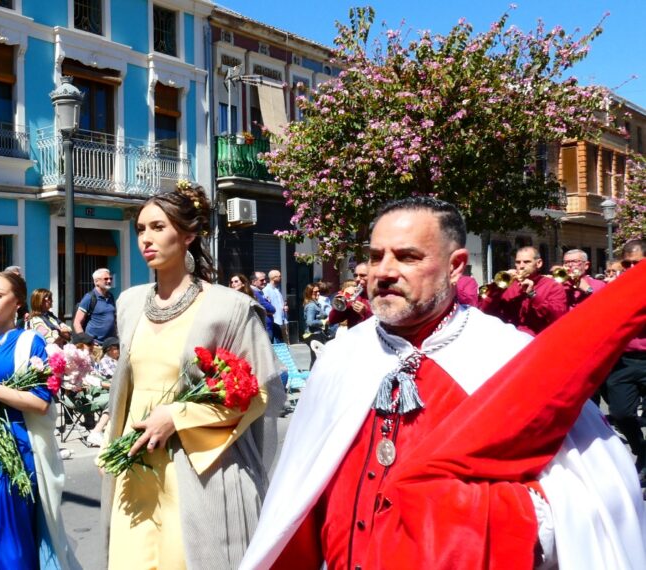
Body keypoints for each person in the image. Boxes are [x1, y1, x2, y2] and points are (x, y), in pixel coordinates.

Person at [240, 197, 646, 569]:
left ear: (456, 266)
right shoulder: (343, 357)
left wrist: (468, 516)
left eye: (407, 257)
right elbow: (299, 492)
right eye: (375, 256)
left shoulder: (504, 354)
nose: (383, 272)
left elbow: (595, 493)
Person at [101, 185, 285, 569]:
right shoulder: (130, 303)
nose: (146, 238)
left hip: (197, 468)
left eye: (157, 226)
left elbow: (260, 392)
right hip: (135, 466)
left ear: (188, 235)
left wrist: (178, 416)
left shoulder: (228, 307)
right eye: (140, 229)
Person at [0, 270, 80, 569]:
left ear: (18, 302)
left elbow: (40, 402)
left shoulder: (29, 342)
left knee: (8, 528)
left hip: (15, 445)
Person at [604, 239, 646, 476]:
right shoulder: (616, 286)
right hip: (625, 359)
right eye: (627, 264)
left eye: (637, 264)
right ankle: (642, 449)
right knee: (620, 413)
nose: (631, 269)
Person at [478, 246, 567, 335]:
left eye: (526, 262)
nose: (521, 266)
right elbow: (484, 311)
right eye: (518, 262)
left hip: (537, 340)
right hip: (508, 338)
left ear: (539, 263)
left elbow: (557, 316)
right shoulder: (508, 284)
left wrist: (533, 295)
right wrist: (496, 289)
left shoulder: (553, 286)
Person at [73, 268, 117, 345]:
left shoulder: (111, 296)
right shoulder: (89, 297)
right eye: (106, 279)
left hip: (109, 345)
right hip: (95, 345)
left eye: (110, 278)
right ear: (96, 282)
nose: (109, 281)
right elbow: (77, 322)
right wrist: (86, 341)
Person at [263, 269, 288, 343]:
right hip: (274, 321)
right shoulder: (266, 290)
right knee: (276, 344)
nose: (281, 278)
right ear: (274, 278)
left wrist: (284, 308)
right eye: (279, 276)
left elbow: (279, 304)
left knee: (281, 343)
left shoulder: (277, 290)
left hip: (281, 320)